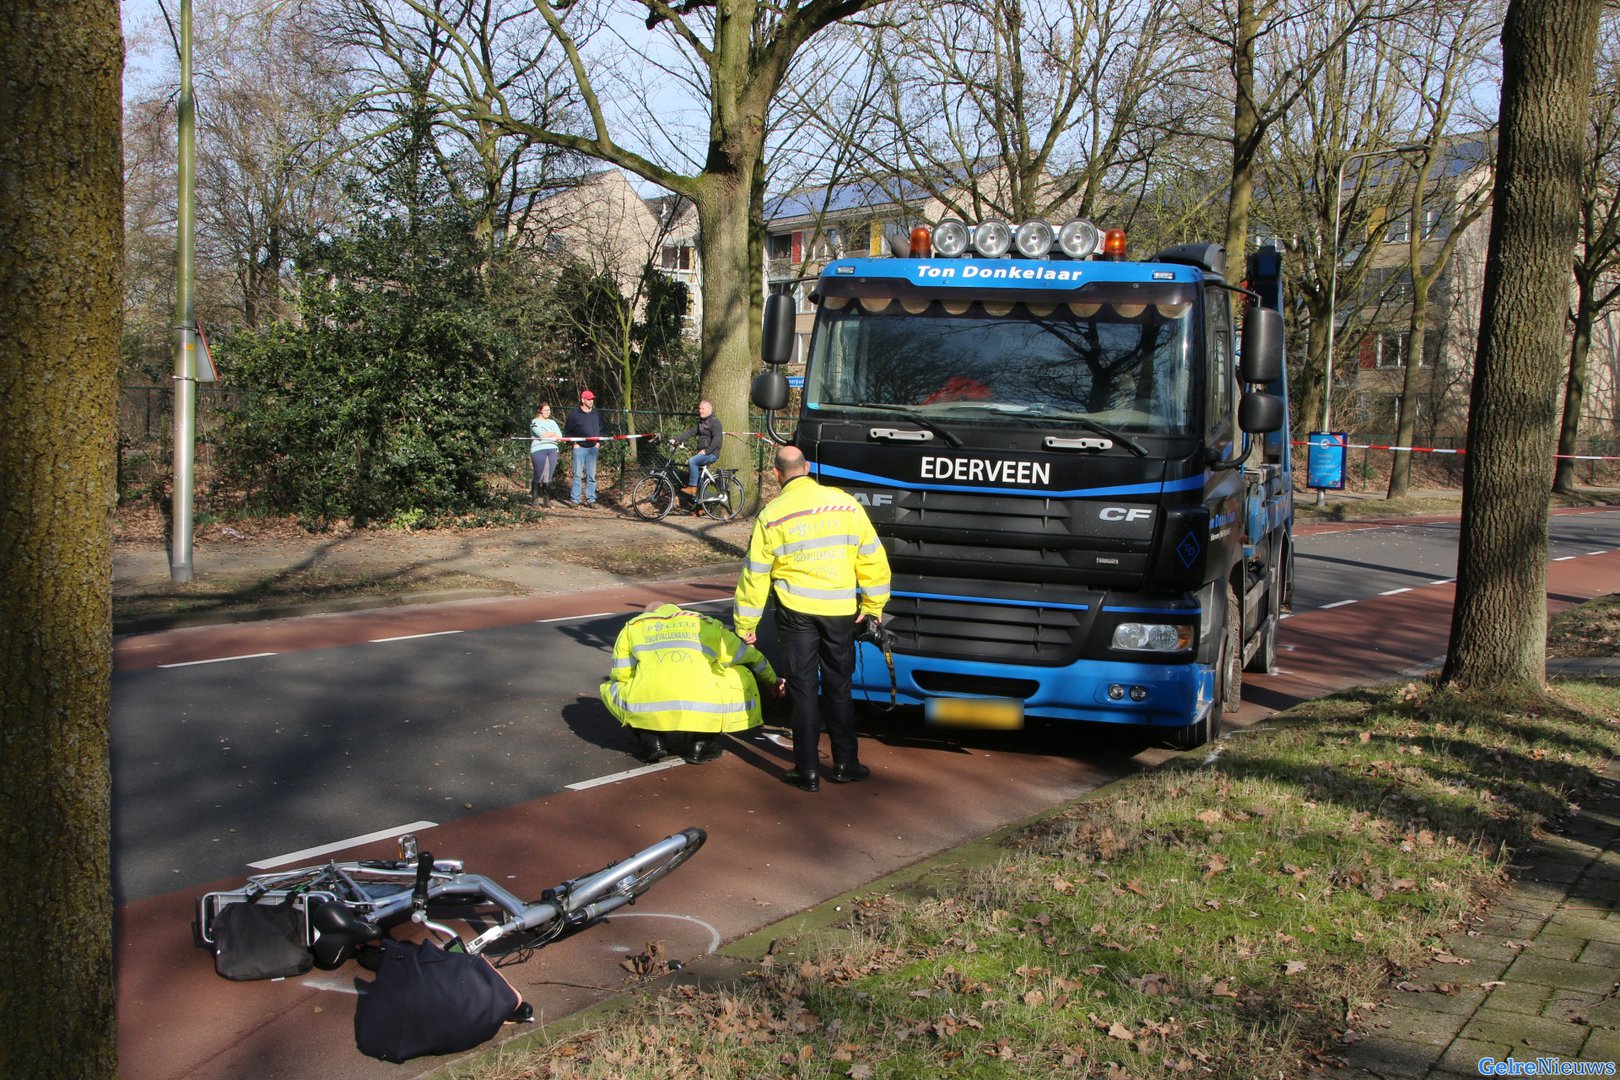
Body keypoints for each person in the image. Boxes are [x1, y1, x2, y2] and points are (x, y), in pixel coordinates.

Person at [733, 445, 891, 792]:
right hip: (839, 611)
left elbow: (755, 575)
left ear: (776, 475)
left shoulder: (772, 515)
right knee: (839, 686)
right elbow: (872, 557)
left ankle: (806, 772)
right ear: (807, 467)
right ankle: (846, 763)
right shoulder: (846, 504)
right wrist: (873, 604)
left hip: (796, 611)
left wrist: (746, 624)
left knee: (803, 689)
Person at [600, 601, 784, 765]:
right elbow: (753, 657)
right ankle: (701, 744)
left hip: (647, 702)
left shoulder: (633, 628)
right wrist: (771, 681)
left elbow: (621, 673)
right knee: (738, 671)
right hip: (703, 702)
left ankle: (651, 740)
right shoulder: (706, 624)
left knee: (613, 686)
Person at [666, 400, 723, 503]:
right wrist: (676, 439)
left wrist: (706, 451)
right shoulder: (702, 422)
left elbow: (717, 440)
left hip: (711, 453)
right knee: (700, 480)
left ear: (709, 410)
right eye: (699, 408)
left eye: (702, 408)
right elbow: (690, 433)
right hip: (703, 452)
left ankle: (692, 488)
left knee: (692, 461)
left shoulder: (715, 422)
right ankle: (701, 506)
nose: (699, 410)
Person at [563, 390, 604, 508]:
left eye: (592, 399)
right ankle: (575, 500)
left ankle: (591, 499)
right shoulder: (574, 414)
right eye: (589, 399)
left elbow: (602, 429)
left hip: (593, 448)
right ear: (583, 400)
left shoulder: (596, 414)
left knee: (591, 475)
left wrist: (598, 443)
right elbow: (568, 431)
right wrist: (574, 443)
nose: (591, 401)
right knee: (577, 474)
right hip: (579, 448)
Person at [528, 402, 561, 507]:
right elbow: (541, 435)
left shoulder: (552, 422)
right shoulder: (534, 422)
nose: (548, 412)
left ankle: (547, 499)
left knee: (548, 475)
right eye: (546, 410)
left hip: (552, 448)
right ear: (540, 411)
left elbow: (559, 436)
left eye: (549, 410)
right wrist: (552, 434)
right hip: (538, 448)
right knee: (538, 473)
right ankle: (534, 498)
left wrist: (551, 435)